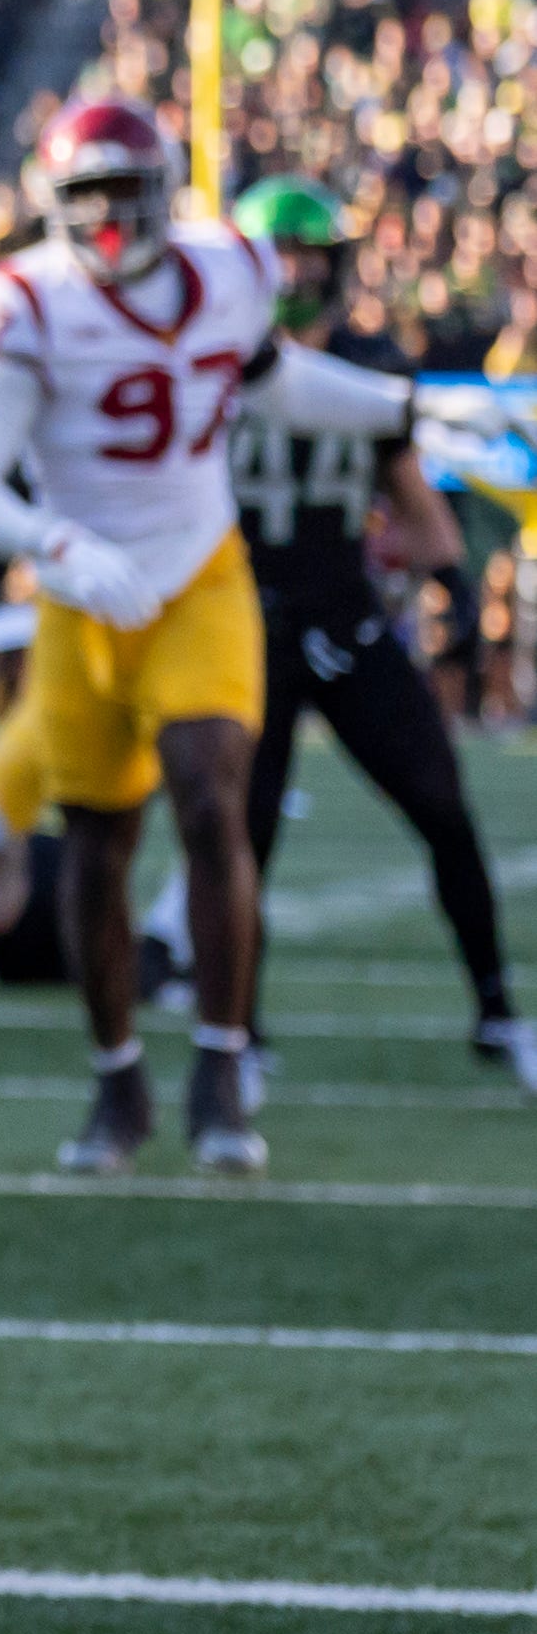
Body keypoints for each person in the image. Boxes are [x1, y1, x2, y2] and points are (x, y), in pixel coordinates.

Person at [0, 104, 428, 1171]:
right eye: (88, 196)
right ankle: (117, 1081)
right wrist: (55, 542)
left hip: (199, 572)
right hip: (83, 596)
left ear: (162, 192)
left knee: (208, 794)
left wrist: (398, 408)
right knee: (97, 845)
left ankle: (220, 1067)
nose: (110, 218)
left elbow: (268, 382)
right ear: (56, 205)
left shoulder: (228, 270)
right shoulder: (30, 302)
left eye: (125, 192)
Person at [220, 177, 523, 1086]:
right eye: (277, 257)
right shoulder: (208, 361)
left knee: (442, 805)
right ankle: (235, 1033)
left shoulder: (369, 363)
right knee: (239, 837)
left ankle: (497, 1011)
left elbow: (408, 492)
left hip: (343, 622)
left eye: (307, 257)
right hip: (237, 630)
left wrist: (450, 583)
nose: (293, 274)